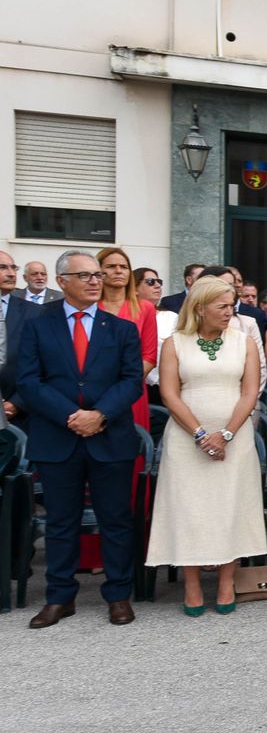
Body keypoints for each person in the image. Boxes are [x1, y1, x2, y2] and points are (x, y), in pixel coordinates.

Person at [18, 251, 146, 629]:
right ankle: (59, 597)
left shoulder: (120, 328)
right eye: (85, 275)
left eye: (97, 275)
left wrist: (99, 415)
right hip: (57, 437)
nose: (95, 281)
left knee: (116, 520)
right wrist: (70, 417)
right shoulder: (37, 325)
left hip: (110, 438)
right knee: (60, 521)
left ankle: (119, 594)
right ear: (62, 282)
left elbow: (131, 381)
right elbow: (28, 380)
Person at [145, 277, 267, 615]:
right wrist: (200, 434)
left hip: (235, 437)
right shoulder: (174, 343)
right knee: (190, 510)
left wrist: (225, 433)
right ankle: (193, 584)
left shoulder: (244, 341)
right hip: (186, 440)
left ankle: (228, 582)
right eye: (223, 306)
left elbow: (250, 392)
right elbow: (169, 393)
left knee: (231, 507)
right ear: (200, 308)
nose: (231, 312)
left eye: (232, 305)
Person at [96, 247, 158, 435]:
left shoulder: (144, 308)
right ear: (99, 271)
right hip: (93, 389)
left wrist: (124, 385)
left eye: (123, 266)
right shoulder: (90, 306)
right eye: (112, 266)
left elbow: (149, 356)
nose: (118, 271)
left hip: (131, 390)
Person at [0, 250, 42, 430]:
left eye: (13, 268)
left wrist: (16, 403)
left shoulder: (36, 313)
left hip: (19, 418)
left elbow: (45, 364)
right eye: (2, 267)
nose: (11, 273)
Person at [132, 267, 179, 405]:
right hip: (135, 384)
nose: (157, 285)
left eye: (159, 281)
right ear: (134, 288)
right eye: (151, 282)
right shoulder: (127, 316)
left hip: (163, 387)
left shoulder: (171, 317)